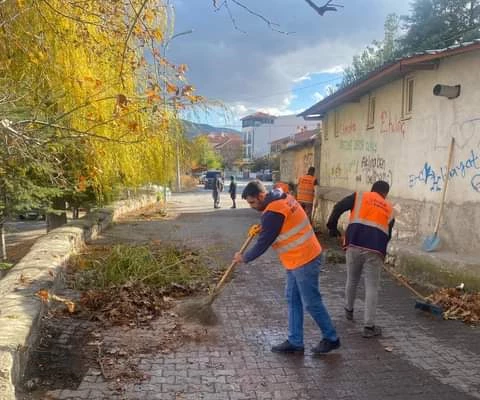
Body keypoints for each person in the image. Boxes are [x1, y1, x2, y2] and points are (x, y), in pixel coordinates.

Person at [233, 181, 340, 355]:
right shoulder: (282, 196)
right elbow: (282, 225)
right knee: (292, 298)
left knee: (312, 302)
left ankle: (331, 338)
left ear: (261, 196)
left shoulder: (273, 212)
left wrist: (244, 257)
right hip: (296, 260)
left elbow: (263, 244)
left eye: (252, 202)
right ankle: (295, 341)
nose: (252, 207)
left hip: (305, 259)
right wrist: (262, 228)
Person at [326, 180, 395, 338]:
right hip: (375, 249)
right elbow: (388, 235)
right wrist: (380, 252)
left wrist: (332, 226)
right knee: (372, 287)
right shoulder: (389, 208)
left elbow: (338, 207)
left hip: (354, 244)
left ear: (372, 189)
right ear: (385, 194)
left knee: (352, 279)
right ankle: (369, 327)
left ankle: (349, 311)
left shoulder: (359, 196)